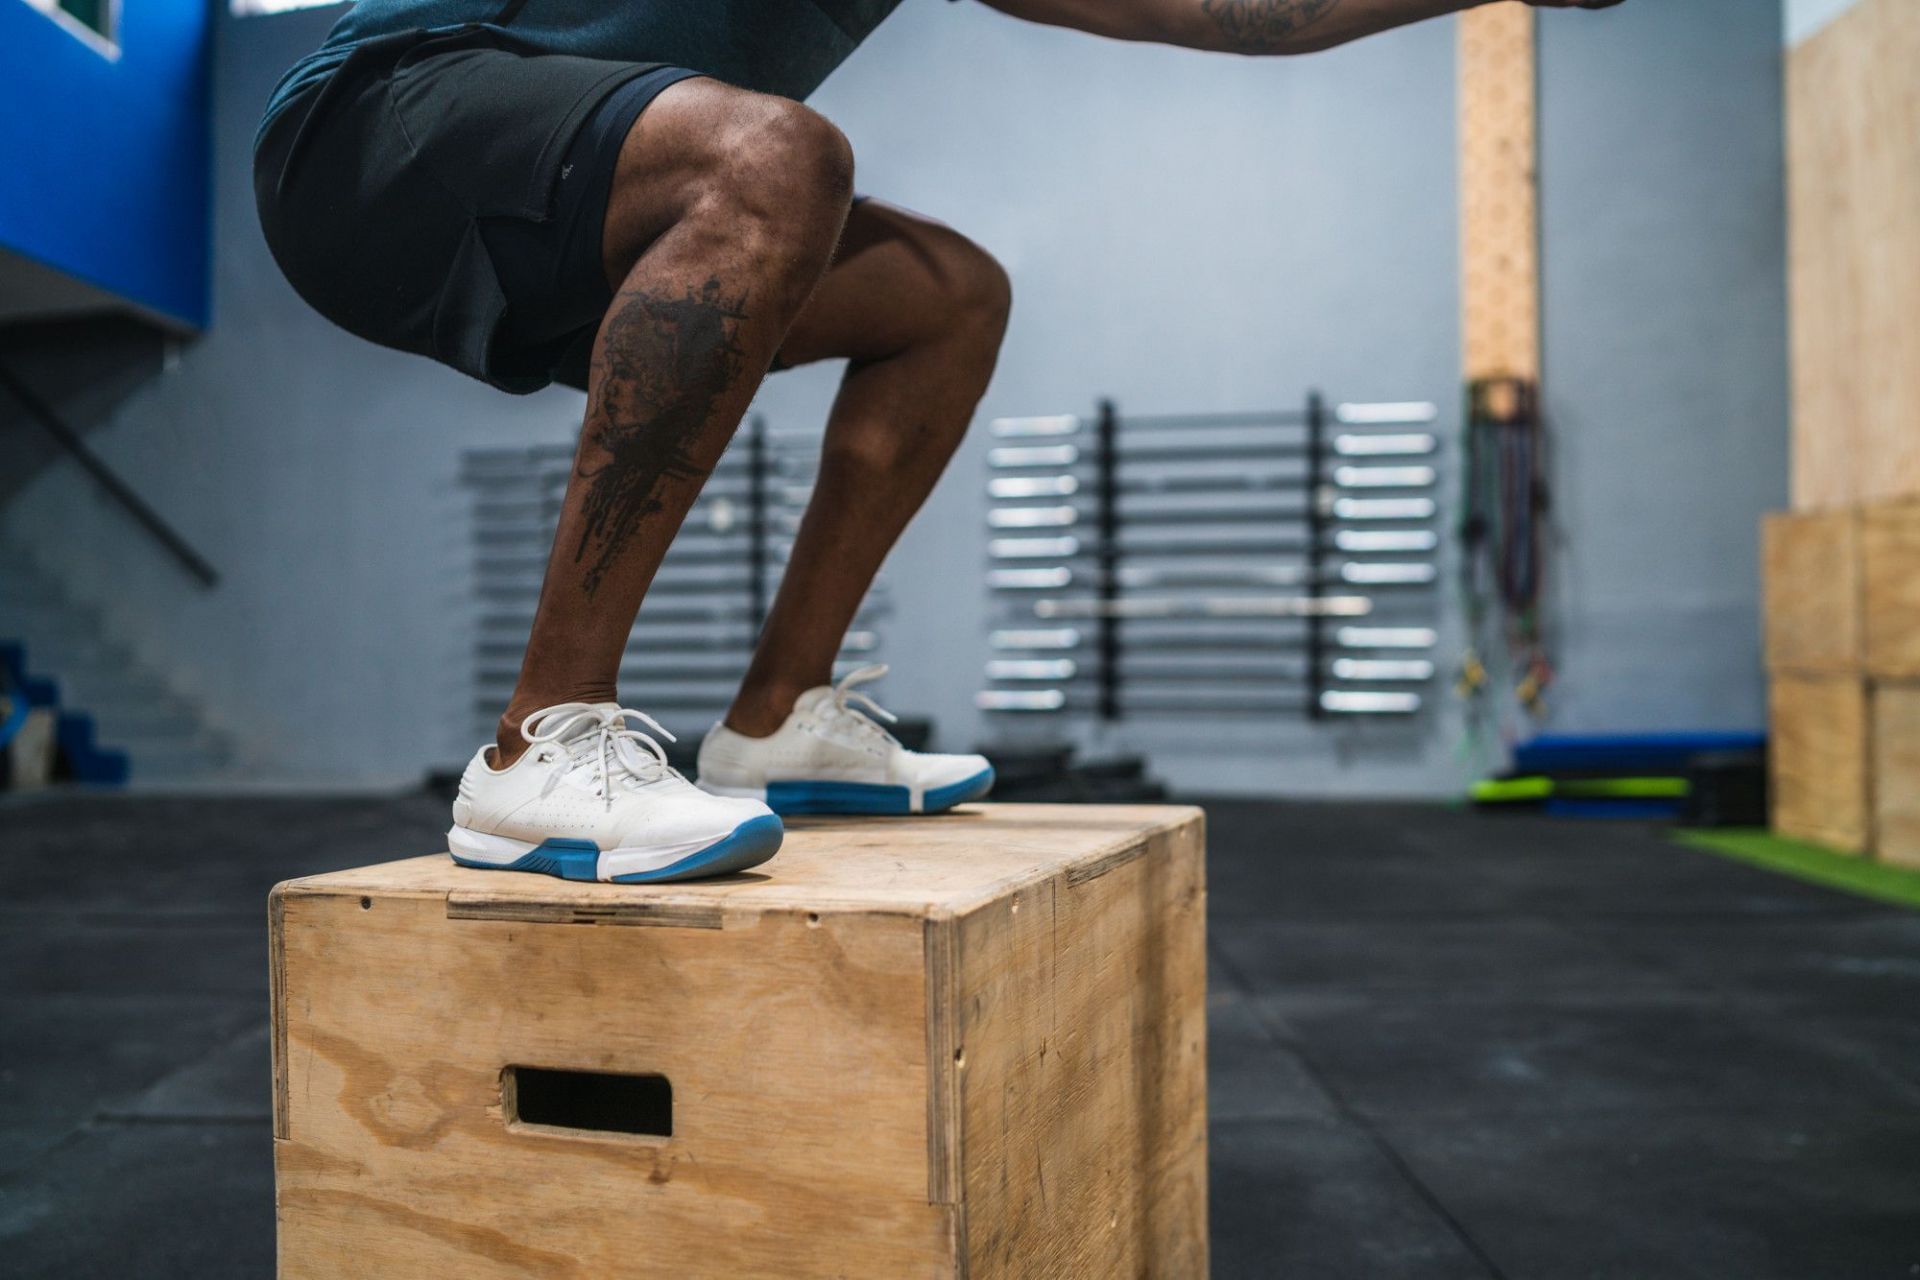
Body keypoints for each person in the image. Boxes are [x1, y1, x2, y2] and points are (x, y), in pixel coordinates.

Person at [254, 0, 1626, 884]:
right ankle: (538, 750)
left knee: (950, 296)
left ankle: (779, 718)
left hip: (576, 202)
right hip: (371, 130)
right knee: (779, 159)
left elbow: (1244, 13)